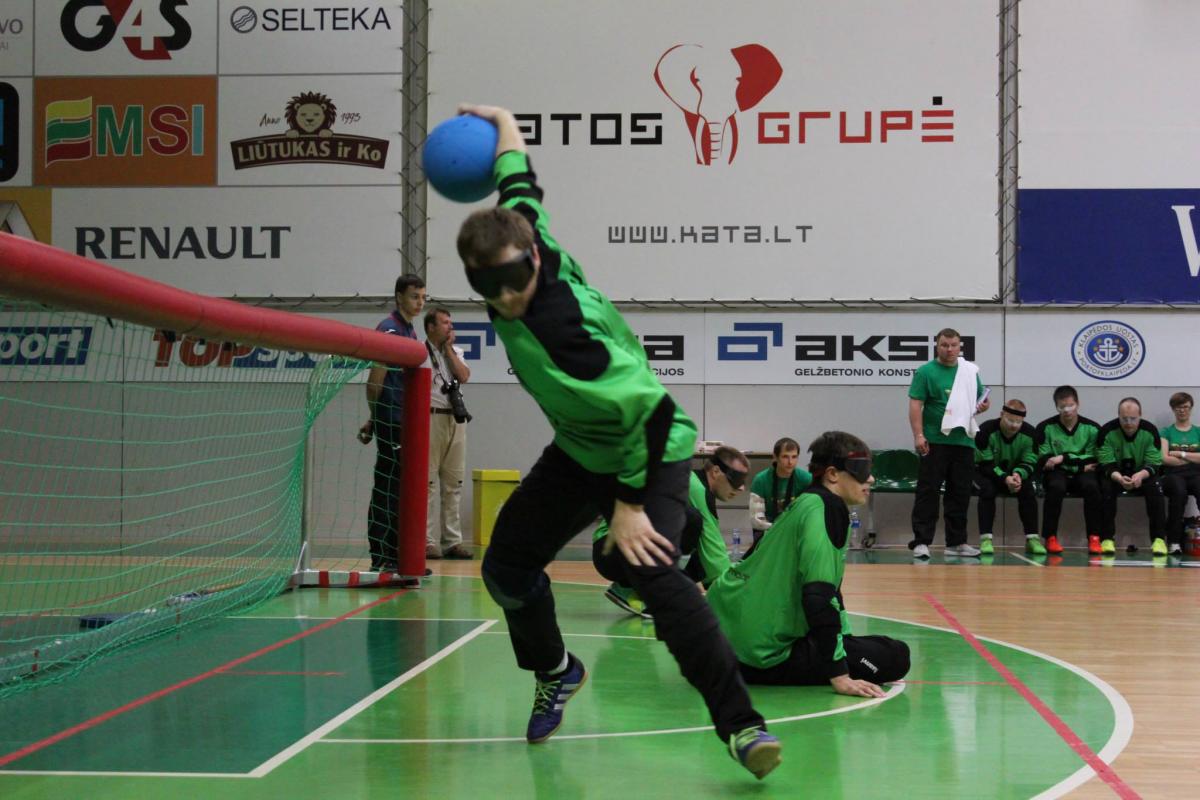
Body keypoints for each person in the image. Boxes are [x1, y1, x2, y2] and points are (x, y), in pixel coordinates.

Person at [456, 105, 781, 779]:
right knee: (505, 570)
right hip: (581, 447)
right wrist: (501, 120)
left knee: (654, 571)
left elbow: (656, 417)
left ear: (534, 261)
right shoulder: (521, 235)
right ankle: (556, 670)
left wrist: (629, 504)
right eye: (489, 287)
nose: (507, 297)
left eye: (517, 280)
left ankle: (742, 726)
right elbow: (518, 178)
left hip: (648, 451)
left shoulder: (565, 337)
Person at [707, 431, 910, 693]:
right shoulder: (827, 509)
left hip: (722, 643)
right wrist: (839, 674)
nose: (870, 478)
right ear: (833, 474)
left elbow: (830, 589)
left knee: (868, 644)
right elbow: (818, 596)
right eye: (862, 470)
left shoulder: (804, 502)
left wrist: (843, 641)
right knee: (895, 656)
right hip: (758, 657)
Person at [595, 446, 748, 619]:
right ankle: (661, 596)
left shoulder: (690, 482)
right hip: (612, 549)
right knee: (693, 521)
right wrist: (733, 588)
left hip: (613, 552)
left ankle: (630, 589)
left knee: (696, 536)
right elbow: (714, 553)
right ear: (715, 471)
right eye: (735, 479)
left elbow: (711, 551)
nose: (741, 488)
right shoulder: (695, 488)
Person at [357, 274, 425, 572]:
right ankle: (381, 556)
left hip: (401, 421)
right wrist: (378, 417)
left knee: (400, 487)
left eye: (423, 297)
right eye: (414, 296)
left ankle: (396, 555)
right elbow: (375, 382)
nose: (420, 302)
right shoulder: (389, 329)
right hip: (393, 422)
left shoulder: (408, 330)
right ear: (399, 297)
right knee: (387, 486)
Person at [907, 328, 990, 559]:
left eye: (954, 345)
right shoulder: (925, 372)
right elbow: (916, 405)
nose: (950, 349)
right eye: (945, 345)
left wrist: (984, 406)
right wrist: (918, 435)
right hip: (934, 440)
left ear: (959, 346)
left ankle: (956, 542)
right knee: (928, 491)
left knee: (960, 492)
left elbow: (981, 400)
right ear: (937, 345)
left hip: (963, 440)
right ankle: (921, 542)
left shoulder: (969, 371)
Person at [423, 307, 473, 560]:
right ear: (430, 327)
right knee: (428, 483)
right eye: (444, 323)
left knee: (454, 482)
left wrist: (449, 351)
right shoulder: (419, 353)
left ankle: (453, 541)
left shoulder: (456, 352)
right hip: (430, 418)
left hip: (455, 419)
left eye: (451, 324)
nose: (450, 328)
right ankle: (427, 541)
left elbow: (463, 375)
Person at [1036, 385, 1103, 555]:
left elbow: (1093, 459)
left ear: (1078, 404)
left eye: (1070, 405)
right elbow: (1045, 459)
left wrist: (1062, 458)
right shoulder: (1045, 427)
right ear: (1056, 407)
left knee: (1092, 488)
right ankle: (1050, 537)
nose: (1067, 410)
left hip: (1083, 474)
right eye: (1062, 407)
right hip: (1058, 474)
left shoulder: (1092, 428)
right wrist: (1076, 463)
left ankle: (1094, 537)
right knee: (1055, 488)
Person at [1097, 397, 1165, 556]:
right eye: (1124, 418)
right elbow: (1105, 463)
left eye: (1133, 418)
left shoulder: (1150, 431)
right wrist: (1119, 478)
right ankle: (1107, 539)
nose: (1128, 422)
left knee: (1156, 489)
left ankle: (1159, 540)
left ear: (1140, 415)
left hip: (1143, 474)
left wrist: (1141, 475)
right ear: (1118, 416)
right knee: (1105, 489)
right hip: (1115, 475)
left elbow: (1155, 462)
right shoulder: (1106, 431)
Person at [974, 399, 1041, 555]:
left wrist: (1018, 475)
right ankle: (986, 539)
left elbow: (1030, 461)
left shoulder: (1030, 434)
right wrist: (1005, 478)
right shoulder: (985, 430)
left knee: (1027, 490)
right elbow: (985, 464)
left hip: (1013, 475)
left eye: (1018, 422)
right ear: (1001, 415)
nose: (1013, 425)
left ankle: (1032, 538)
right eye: (1010, 420)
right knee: (987, 490)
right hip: (985, 473)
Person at [749, 437, 812, 543]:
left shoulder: (806, 479)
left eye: (794, 457)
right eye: (785, 457)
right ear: (775, 457)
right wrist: (781, 530)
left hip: (795, 531)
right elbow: (756, 521)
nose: (790, 462)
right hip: (768, 532)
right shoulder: (760, 480)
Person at [1160, 392, 1200, 555]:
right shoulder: (1166, 432)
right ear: (1173, 409)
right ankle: (1174, 541)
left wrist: (1181, 454)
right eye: (1178, 407)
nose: (1182, 410)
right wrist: (1193, 458)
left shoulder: (1198, 431)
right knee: (1178, 493)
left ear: (1191, 408)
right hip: (1173, 474)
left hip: (1195, 474)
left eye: (1185, 407)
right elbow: (1164, 458)